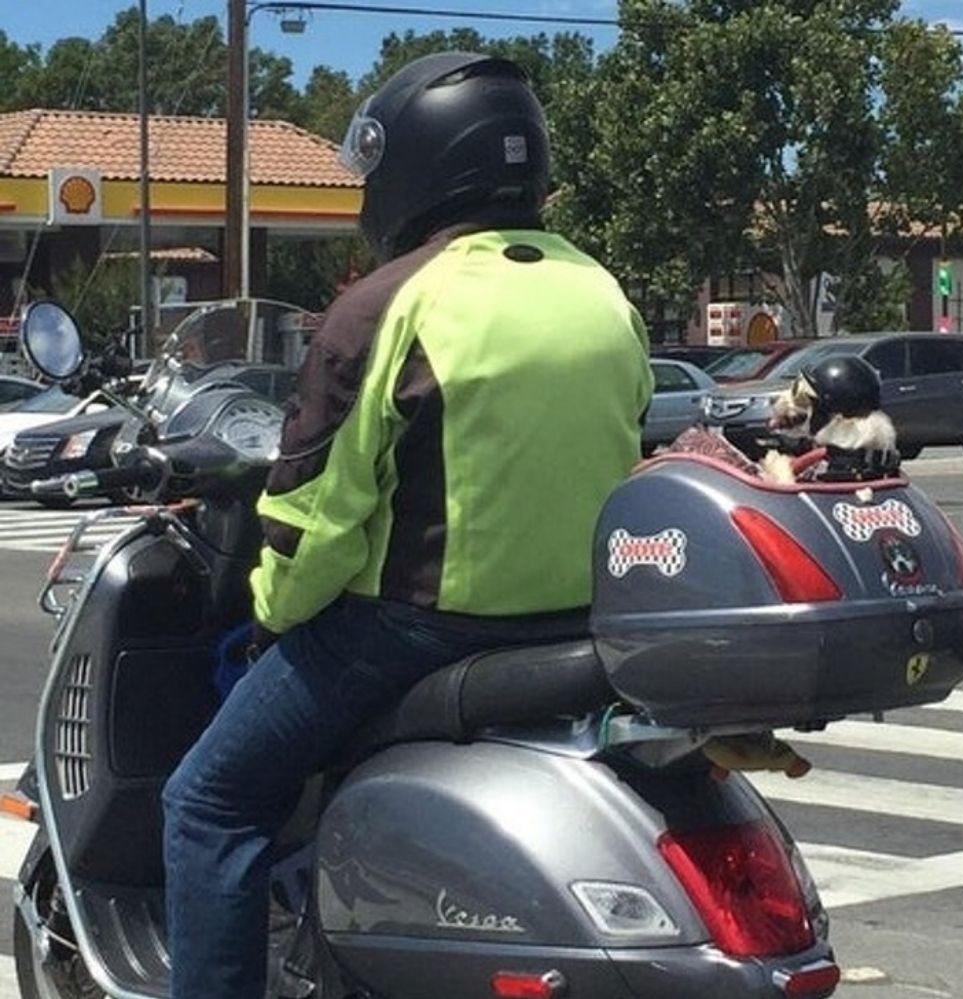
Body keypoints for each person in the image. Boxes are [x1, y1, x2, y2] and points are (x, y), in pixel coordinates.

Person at [162, 51, 653, 999]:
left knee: (206, 801)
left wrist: (266, 613)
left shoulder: (389, 304)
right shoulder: (603, 293)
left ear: (419, 167)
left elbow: (314, 520)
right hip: (577, 630)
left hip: (416, 631)